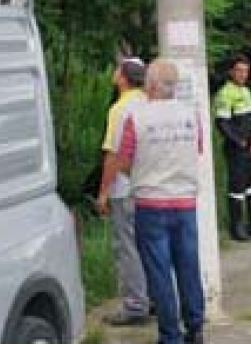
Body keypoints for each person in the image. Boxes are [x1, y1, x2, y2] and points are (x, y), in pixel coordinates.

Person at [98, 59, 205, 344]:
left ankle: (170, 335)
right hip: (185, 203)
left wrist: (143, 170)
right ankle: (195, 327)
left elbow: (123, 160)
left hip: (151, 204)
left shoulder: (138, 117)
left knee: (159, 272)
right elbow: (198, 149)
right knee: (189, 266)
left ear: (151, 85)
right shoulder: (192, 115)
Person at [94, 57, 151, 327]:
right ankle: (153, 298)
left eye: (117, 69)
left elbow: (113, 156)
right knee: (148, 245)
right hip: (149, 187)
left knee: (126, 247)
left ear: (124, 77)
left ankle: (135, 305)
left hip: (124, 188)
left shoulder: (120, 109)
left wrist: (103, 193)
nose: (114, 72)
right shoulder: (150, 102)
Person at [213, 55, 251, 241]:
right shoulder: (225, 93)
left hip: (250, 147)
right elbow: (222, 123)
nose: (243, 74)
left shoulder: (246, 92)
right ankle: (236, 227)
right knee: (237, 186)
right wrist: (238, 141)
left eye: (246, 70)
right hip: (236, 148)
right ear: (231, 71)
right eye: (239, 70)